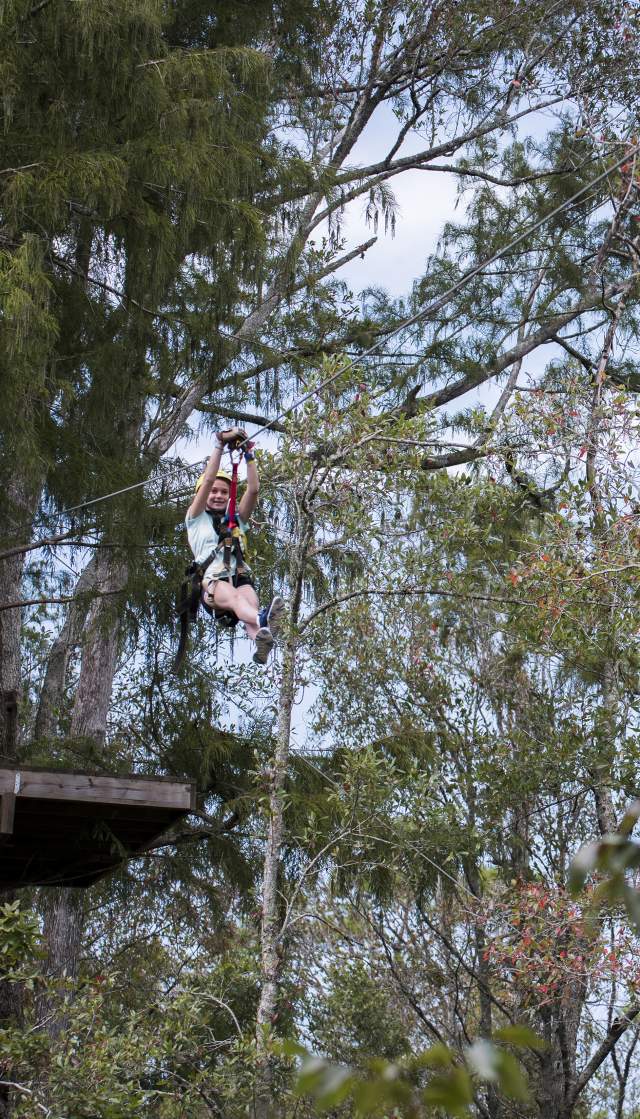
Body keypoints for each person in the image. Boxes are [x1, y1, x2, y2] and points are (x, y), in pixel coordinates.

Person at [185, 427, 284, 664]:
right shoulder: (195, 517)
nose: (218, 495)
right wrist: (219, 445)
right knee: (242, 604)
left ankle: (260, 641)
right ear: (202, 494)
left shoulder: (236, 519)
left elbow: (254, 489)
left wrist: (249, 454)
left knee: (250, 608)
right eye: (213, 492)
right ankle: (263, 621)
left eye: (223, 492)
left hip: (240, 576)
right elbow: (208, 479)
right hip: (213, 581)